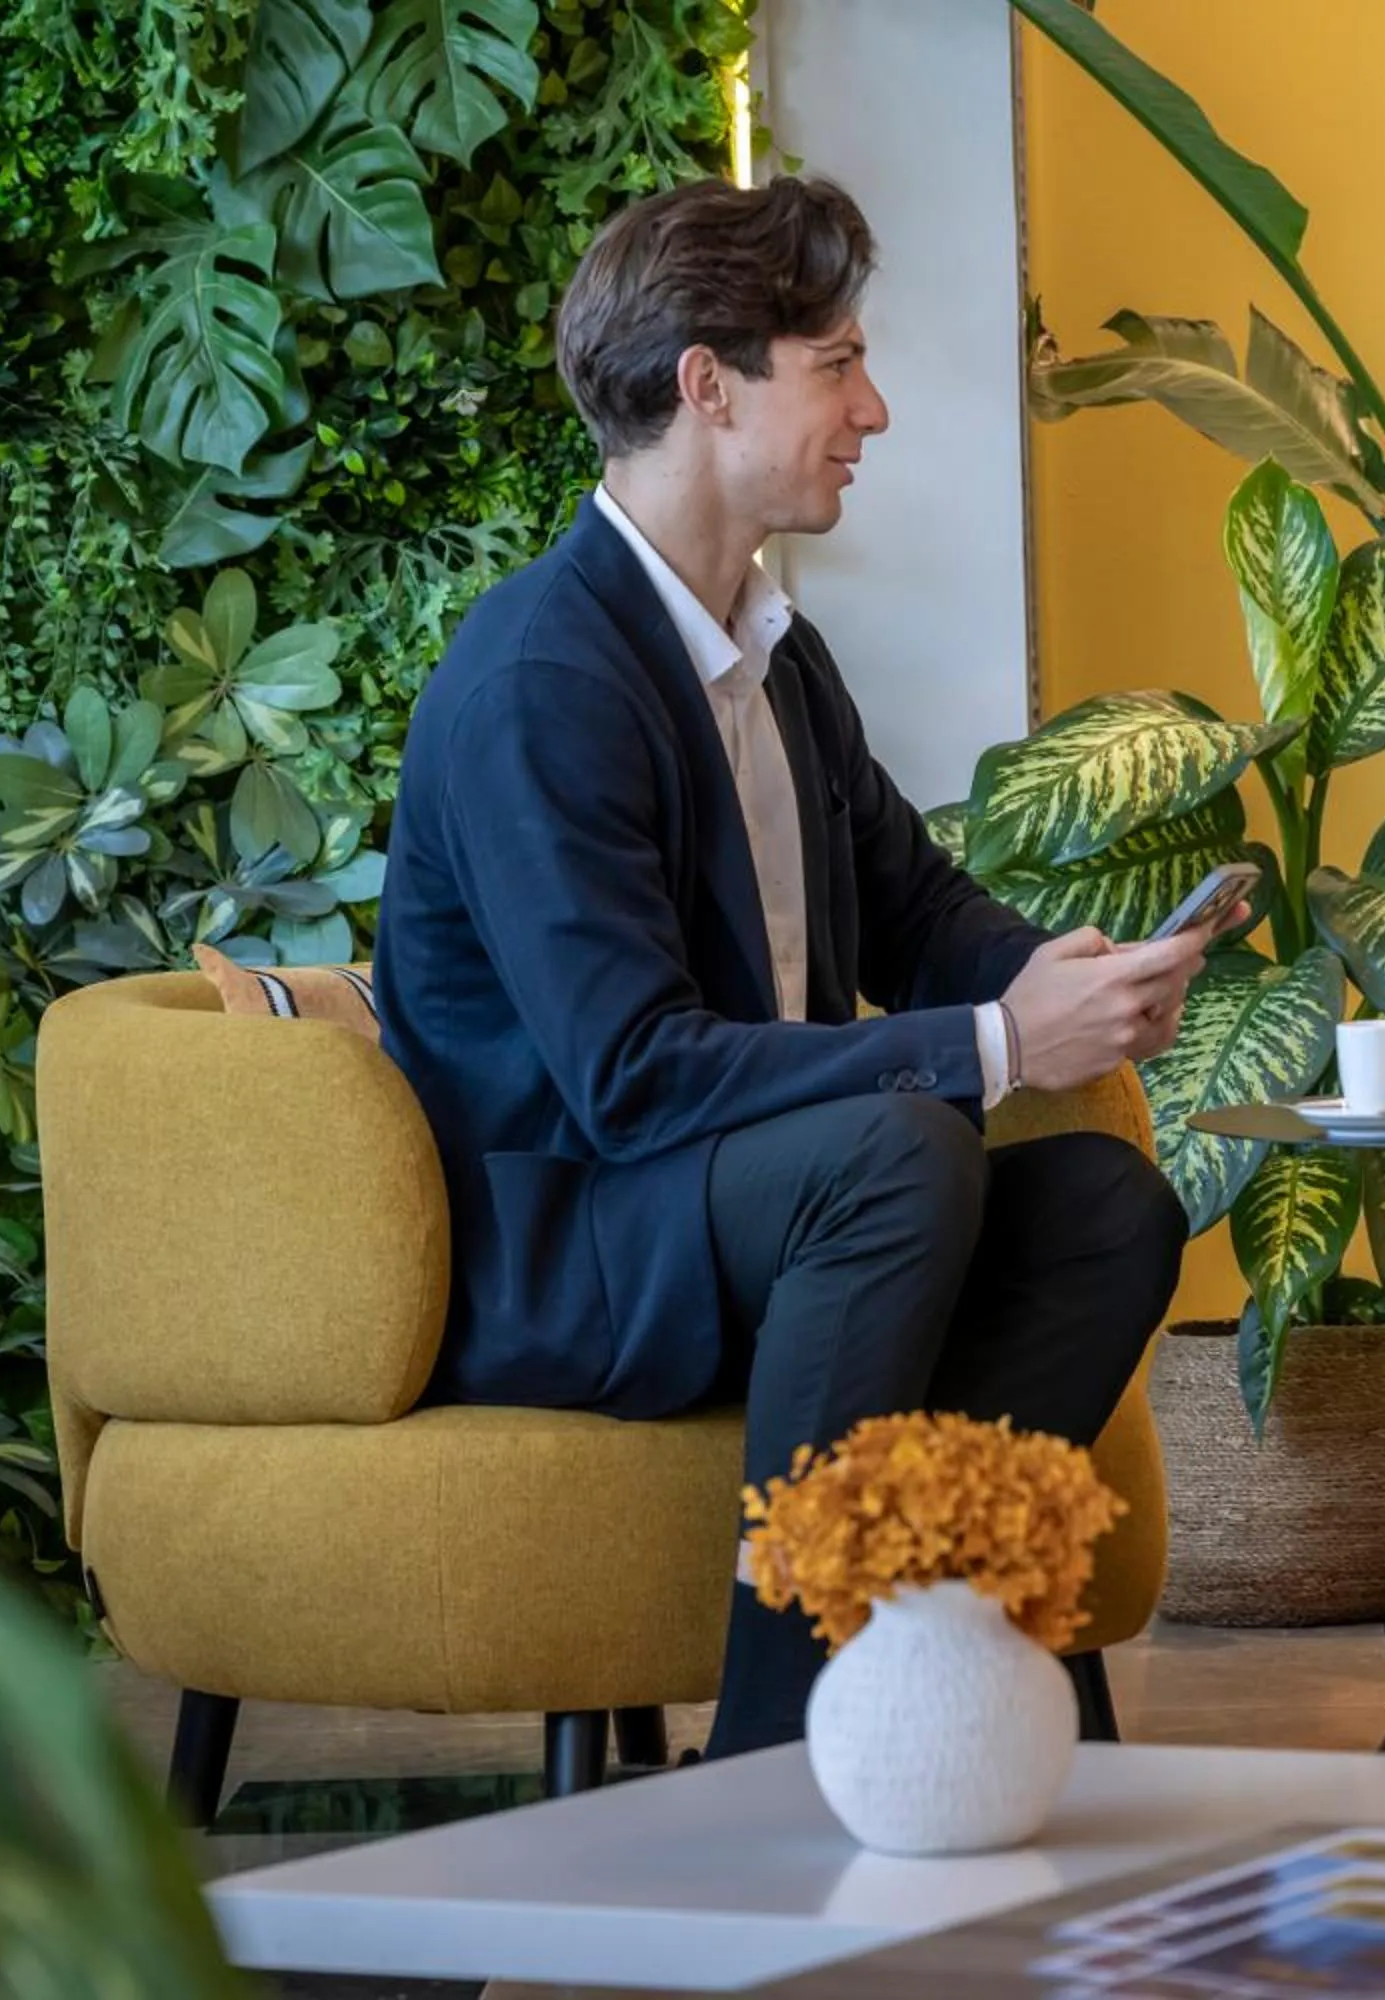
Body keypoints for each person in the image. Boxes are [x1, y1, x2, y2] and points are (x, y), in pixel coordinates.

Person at [374, 175, 1210, 1758]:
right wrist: (988, 1046)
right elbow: (629, 1078)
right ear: (709, 384)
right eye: (835, 362)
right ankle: (775, 1761)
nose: (874, 408)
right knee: (897, 1154)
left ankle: (921, 1665)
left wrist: (1072, 978)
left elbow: (915, 917)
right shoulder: (543, 680)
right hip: (575, 1248)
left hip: (761, 1216)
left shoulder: (774, 655)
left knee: (1107, 1203)